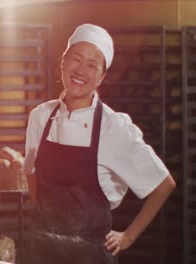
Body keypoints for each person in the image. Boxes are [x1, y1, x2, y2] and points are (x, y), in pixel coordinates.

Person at [24, 24, 176, 263]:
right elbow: (32, 174)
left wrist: (128, 237)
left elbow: (163, 184)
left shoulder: (113, 127)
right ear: (63, 61)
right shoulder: (40, 116)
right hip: (42, 252)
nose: (81, 70)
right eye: (76, 59)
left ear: (101, 78)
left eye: (93, 65)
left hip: (90, 256)